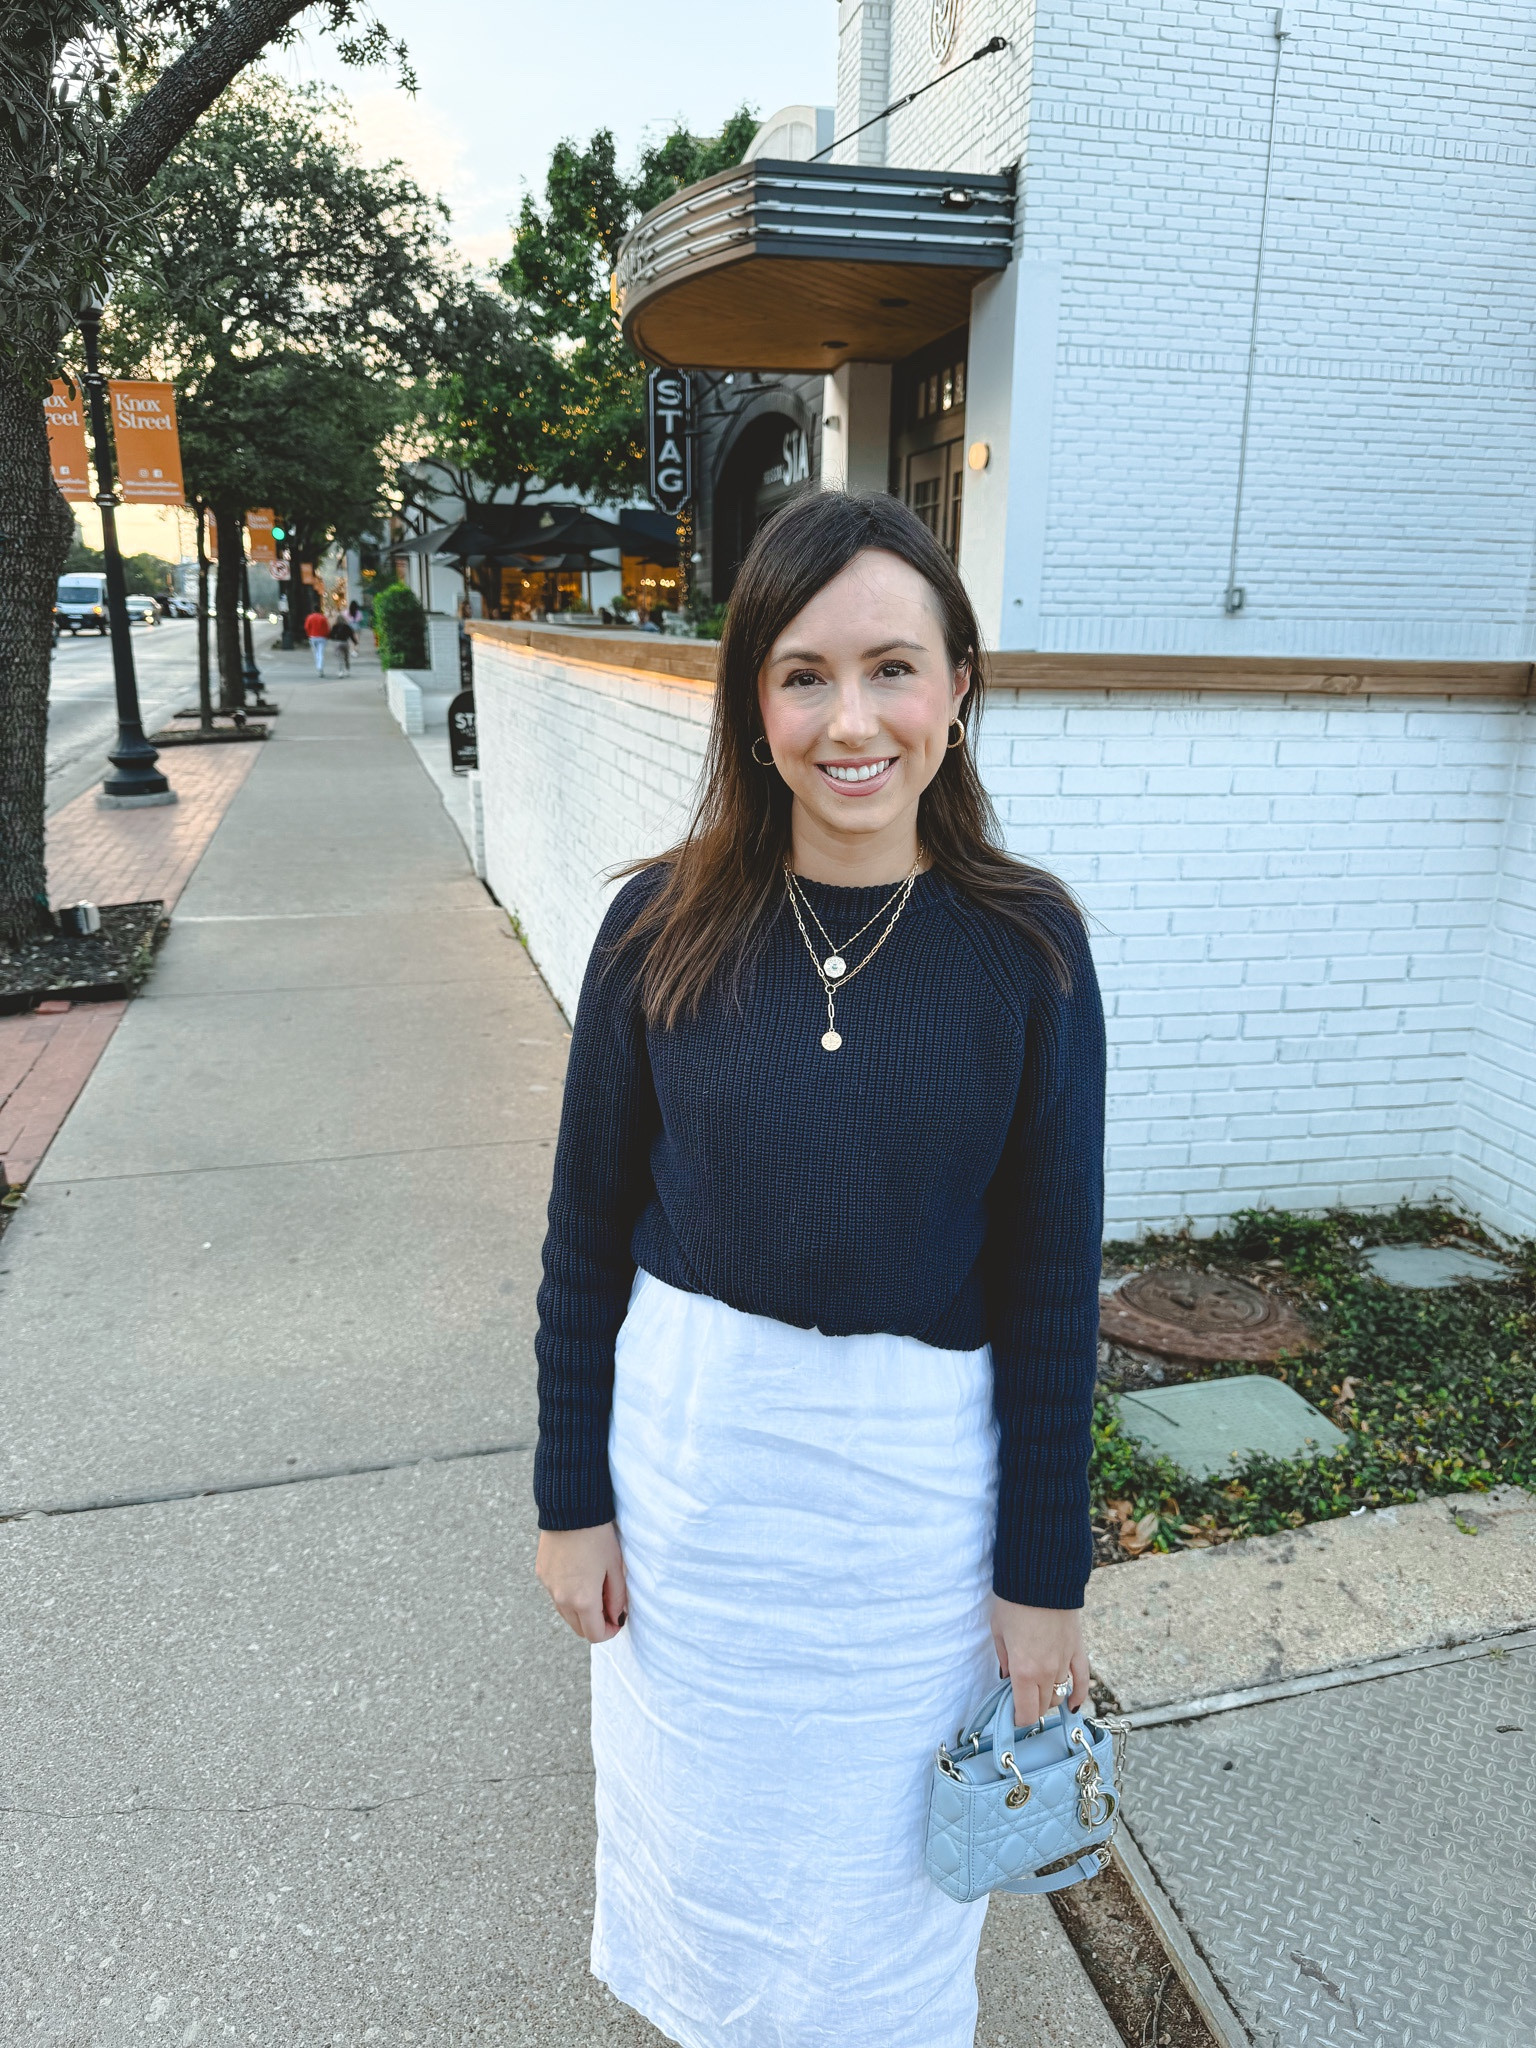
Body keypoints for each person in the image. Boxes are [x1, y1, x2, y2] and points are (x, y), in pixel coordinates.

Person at [533, 490, 1105, 2047]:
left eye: (892, 669)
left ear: (958, 689)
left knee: (879, 1899)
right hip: (698, 1483)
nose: (851, 720)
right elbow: (585, 1237)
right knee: (710, 1857)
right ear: (750, 700)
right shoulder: (660, 927)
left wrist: (1044, 1579)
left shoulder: (1028, 947)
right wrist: (568, 1497)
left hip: (912, 1517)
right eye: (802, 674)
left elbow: (1055, 1287)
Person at [303, 603, 330, 676]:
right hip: (322, 637)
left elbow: (306, 627)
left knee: (316, 653)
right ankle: (320, 668)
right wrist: (326, 635)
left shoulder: (310, 617)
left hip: (312, 637)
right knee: (321, 653)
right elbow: (327, 628)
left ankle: (318, 667)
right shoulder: (323, 618)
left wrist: (309, 635)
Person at [328, 608, 357, 674]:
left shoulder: (335, 626)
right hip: (345, 643)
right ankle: (347, 669)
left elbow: (331, 635)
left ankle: (341, 671)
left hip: (338, 643)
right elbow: (351, 635)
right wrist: (355, 642)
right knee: (346, 657)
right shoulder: (347, 626)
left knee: (340, 658)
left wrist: (334, 638)